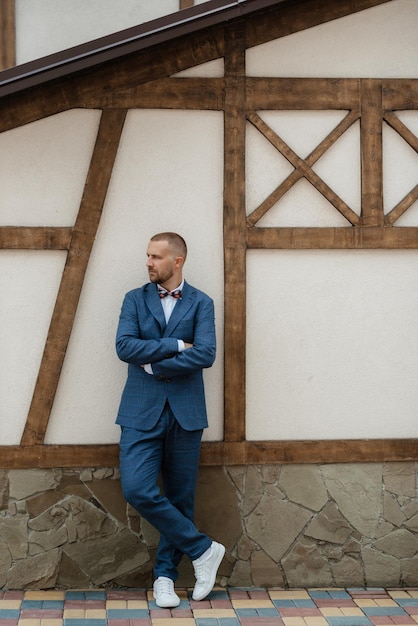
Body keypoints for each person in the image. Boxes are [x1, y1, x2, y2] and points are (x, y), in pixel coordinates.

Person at [115, 232, 225, 608]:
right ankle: (203, 549)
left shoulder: (202, 303)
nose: (148, 262)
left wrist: (152, 362)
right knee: (137, 488)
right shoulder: (134, 299)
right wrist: (177, 345)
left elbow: (207, 354)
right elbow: (124, 346)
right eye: (147, 255)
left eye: (155, 257)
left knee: (180, 498)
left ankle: (165, 577)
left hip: (186, 411)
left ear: (177, 261)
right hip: (139, 411)